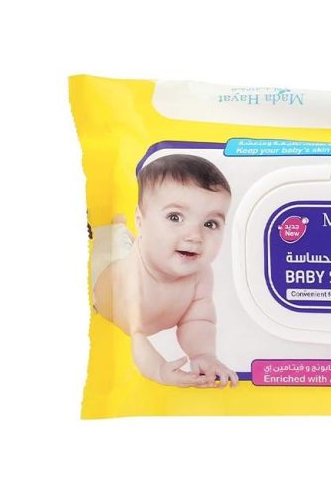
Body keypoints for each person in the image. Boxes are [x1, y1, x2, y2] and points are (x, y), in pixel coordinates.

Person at [92, 154, 238, 388]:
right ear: (140, 220)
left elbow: (198, 319)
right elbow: (137, 337)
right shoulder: (132, 277)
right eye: (175, 217)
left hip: (141, 251)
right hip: (101, 281)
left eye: (210, 223)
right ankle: (118, 227)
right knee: (108, 243)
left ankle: (123, 231)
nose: (195, 236)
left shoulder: (201, 273)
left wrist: (203, 355)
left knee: (128, 243)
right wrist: (160, 371)